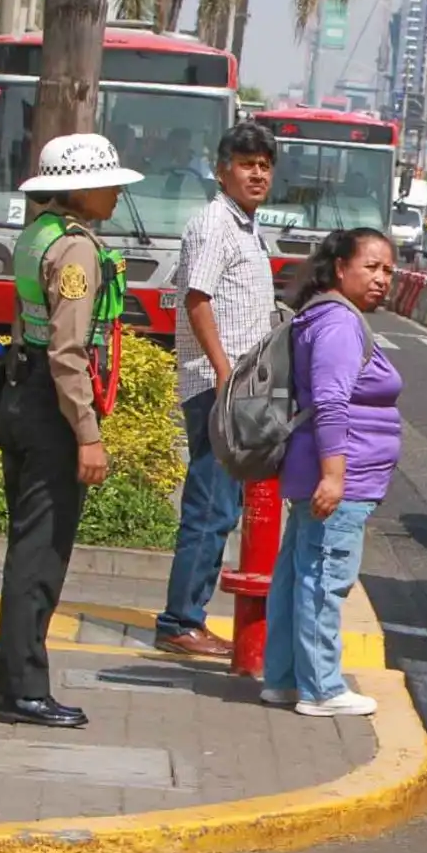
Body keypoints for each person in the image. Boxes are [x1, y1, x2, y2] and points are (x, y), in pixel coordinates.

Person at [0, 132, 141, 728]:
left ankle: (13, 682)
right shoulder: (76, 252)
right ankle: (24, 690)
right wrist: (87, 432)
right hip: (51, 409)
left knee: (25, 547)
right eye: (107, 184)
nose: (113, 195)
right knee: (41, 554)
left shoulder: (37, 236)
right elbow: (68, 351)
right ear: (79, 190)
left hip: (18, 396)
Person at [263, 228, 400, 716]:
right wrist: (334, 477)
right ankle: (322, 688)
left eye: (388, 270)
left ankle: (282, 678)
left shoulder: (323, 314)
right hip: (339, 476)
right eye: (371, 266)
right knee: (324, 578)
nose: (382, 278)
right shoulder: (340, 323)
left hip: (320, 470)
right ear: (341, 267)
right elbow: (330, 403)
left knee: (297, 574)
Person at [156, 122, 277, 658]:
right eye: (247, 163)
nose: (257, 174)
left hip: (239, 389)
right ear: (222, 168)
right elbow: (197, 299)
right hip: (216, 389)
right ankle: (180, 621)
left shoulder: (246, 226)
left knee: (223, 507)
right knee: (209, 507)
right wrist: (226, 371)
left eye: (265, 166)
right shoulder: (214, 225)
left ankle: (189, 616)